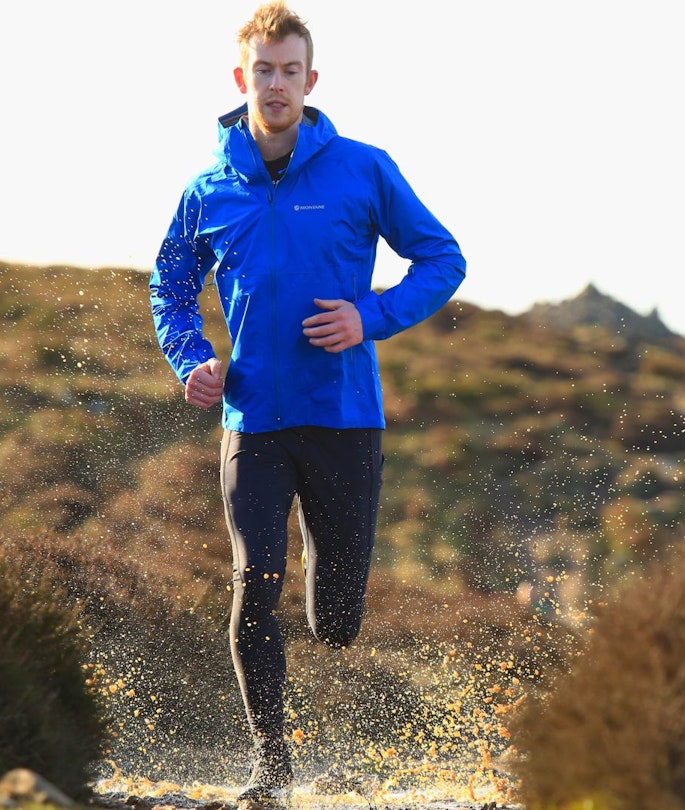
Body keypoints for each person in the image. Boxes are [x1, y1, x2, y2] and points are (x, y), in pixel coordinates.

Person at [148, 2, 465, 801]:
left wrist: (370, 316)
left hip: (344, 420)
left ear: (311, 79)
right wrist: (192, 360)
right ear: (241, 78)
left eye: (291, 71)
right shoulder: (210, 189)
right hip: (252, 420)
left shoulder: (363, 169)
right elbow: (172, 290)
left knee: (337, 620)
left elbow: (442, 257)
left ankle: (330, 629)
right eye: (265, 70)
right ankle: (272, 764)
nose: (278, 84)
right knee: (255, 577)